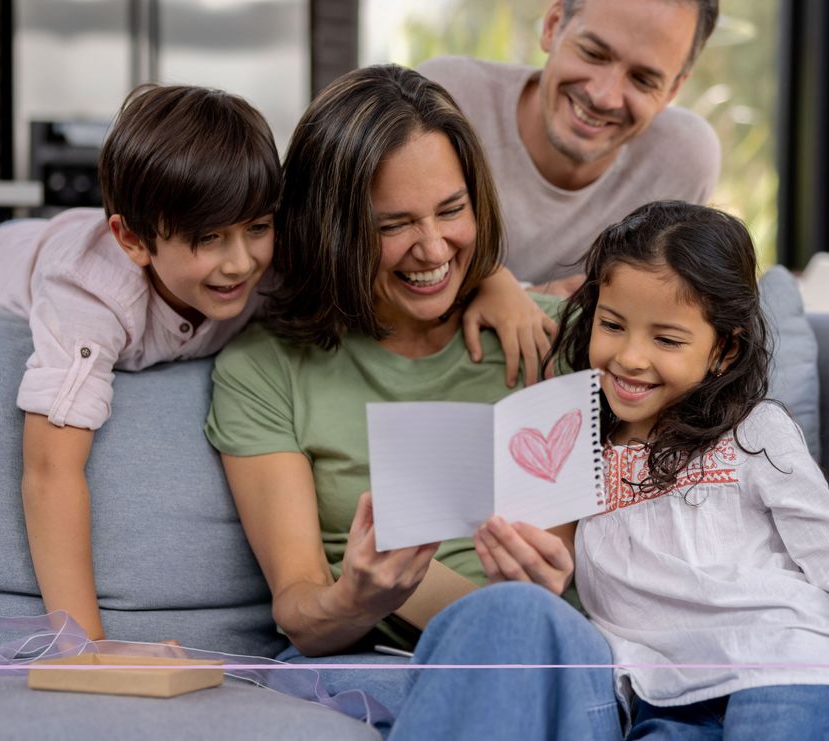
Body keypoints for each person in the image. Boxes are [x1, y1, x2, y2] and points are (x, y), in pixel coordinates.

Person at [0, 84, 550, 644]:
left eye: (258, 227)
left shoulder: (265, 256)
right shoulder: (89, 299)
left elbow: (415, 251)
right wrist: (85, 651)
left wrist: (496, 280)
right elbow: (50, 473)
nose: (239, 264)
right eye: (208, 239)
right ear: (133, 239)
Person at [205, 64, 620, 739]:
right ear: (330, 227)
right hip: (373, 662)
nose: (433, 248)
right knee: (507, 621)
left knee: (517, 621)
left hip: (550, 658)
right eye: (393, 224)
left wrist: (541, 588)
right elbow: (303, 613)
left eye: (452, 210)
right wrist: (356, 595)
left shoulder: (549, 337)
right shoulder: (266, 367)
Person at [537, 201, 829, 740]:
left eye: (667, 339)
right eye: (612, 324)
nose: (630, 357)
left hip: (789, 662)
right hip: (661, 694)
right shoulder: (574, 440)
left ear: (724, 351)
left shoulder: (754, 434)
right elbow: (543, 572)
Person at [418, 0, 722, 295]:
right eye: (593, 54)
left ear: (673, 89)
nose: (605, 96)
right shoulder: (448, 99)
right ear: (552, 26)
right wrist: (503, 290)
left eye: (643, 80)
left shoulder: (683, 158)